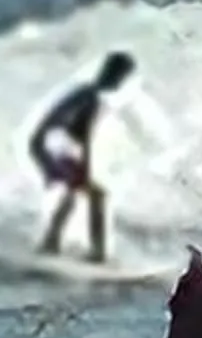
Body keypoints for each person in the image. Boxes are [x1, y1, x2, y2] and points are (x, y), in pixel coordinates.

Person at [31, 50, 134, 262]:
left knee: (77, 190)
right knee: (95, 195)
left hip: (49, 144)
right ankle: (96, 253)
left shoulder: (88, 94)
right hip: (48, 145)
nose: (121, 83)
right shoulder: (89, 97)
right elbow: (82, 137)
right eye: (122, 78)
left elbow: (76, 134)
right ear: (113, 74)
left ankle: (51, 242)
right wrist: (82, 168)